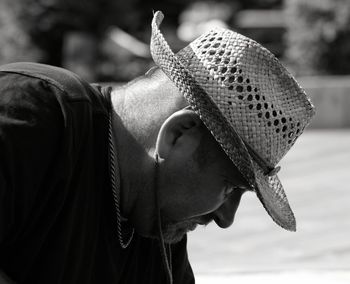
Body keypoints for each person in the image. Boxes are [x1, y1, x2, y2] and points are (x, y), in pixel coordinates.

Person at [0, 11, 315, 284]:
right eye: (230, 187)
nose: (225, 218)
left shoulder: (159, 225)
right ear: (180, 133)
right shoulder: (30, 119)